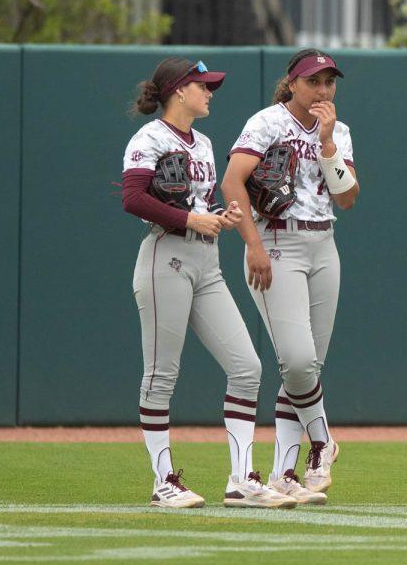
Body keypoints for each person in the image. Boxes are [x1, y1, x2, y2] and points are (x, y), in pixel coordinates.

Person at [122, 57, 296, 509]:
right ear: (179, 90)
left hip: (206, 262)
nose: (209, 92)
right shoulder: (150, 137)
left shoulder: (202, 142)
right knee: (162, 375)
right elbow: (133, 197)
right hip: (166, 257)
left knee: (247, 367)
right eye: (202, 86)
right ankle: (164, 482)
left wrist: (224, 216)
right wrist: (191, 218)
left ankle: (241, 479)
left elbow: (202, 204)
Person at [221, 49, 359, 504]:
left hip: (324, 245)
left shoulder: (337, 132)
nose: (323, 90)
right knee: (298, 361)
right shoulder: (266, 122)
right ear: (293, 83)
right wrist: (253, 245)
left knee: (306, 369)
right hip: (275, 242)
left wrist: (327, 145)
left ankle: (284, 473)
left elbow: (348, 198)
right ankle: (322, 442)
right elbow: (232, 183)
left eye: (329, 81)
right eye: (313, 81)